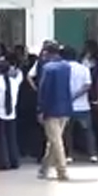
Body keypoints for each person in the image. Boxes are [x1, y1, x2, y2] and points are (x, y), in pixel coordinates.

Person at [36, 44, 74, 180]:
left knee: (56, 141)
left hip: (51, 108)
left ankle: (62, 170)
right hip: (65, 107)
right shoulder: (67, 67)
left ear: (48, 53)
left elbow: (43, 90)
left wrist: (40, 109)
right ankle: (44, 168)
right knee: (54, 140)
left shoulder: (48, 68)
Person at [65, 45, 98, 163]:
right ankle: (92, 154)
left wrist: (69, 96)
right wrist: (77, 95)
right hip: (83, 106)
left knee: (68, 132)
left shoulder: (63, 69)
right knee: (87, 131)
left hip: (67, 106)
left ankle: (69, 155)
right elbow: (87, 85)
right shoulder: (84, 69)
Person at [0, 54, 23, 170]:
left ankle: (4, 162)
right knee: (11, 138)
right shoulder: (13, 82)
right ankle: (14, 160)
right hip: (11, 112)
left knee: (1, 138)